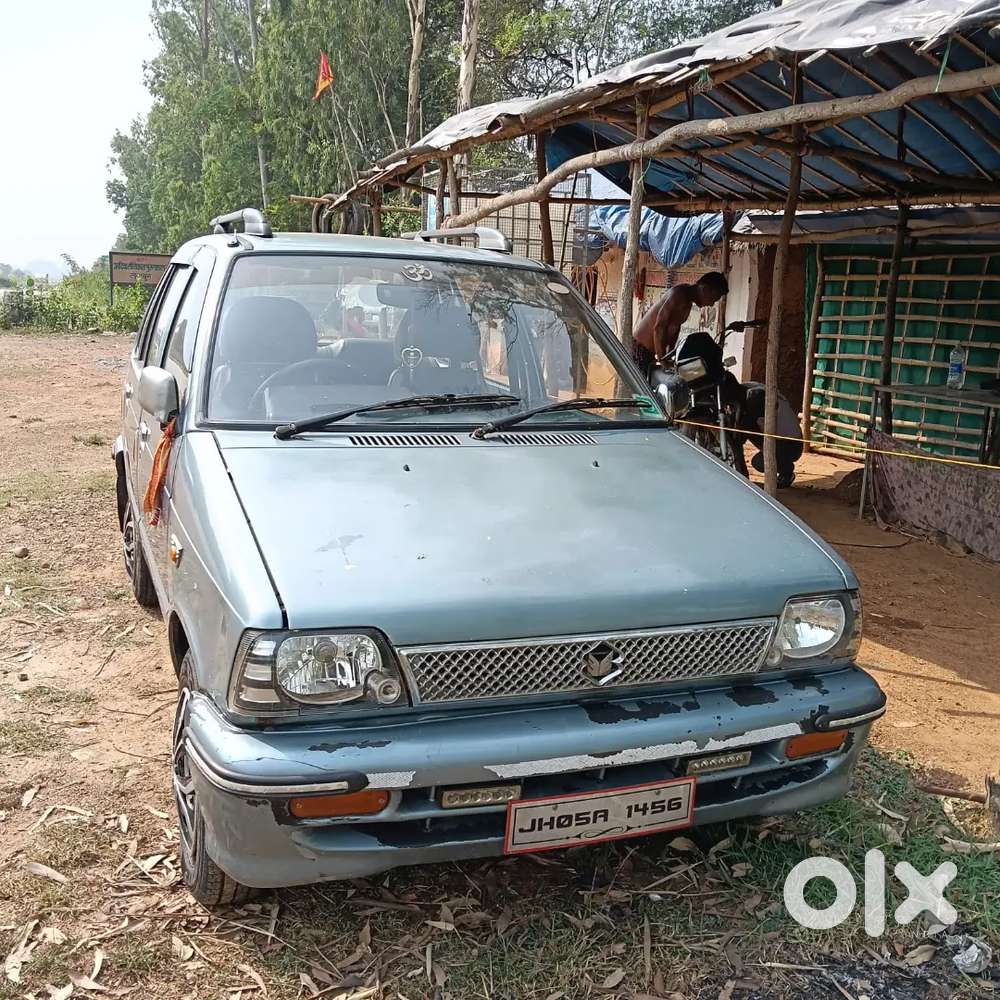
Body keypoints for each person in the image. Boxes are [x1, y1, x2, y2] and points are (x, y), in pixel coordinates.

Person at [632, 271, 729, 382]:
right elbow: (659, 327)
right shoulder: (678, 295)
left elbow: (675, 327)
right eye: (713, 299)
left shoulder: (687, 301)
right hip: (639, 352)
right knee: (643, 394)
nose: (711, 304)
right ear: (705, 289)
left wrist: (670, 353)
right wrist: (662, 358)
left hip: (650, 354)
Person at [736, 381, 803, 488]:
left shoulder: (757, 399)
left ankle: (787, 471)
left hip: (791, 445)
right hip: (787, 439)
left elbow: (743, 428)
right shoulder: (754, 388)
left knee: (759, 462)